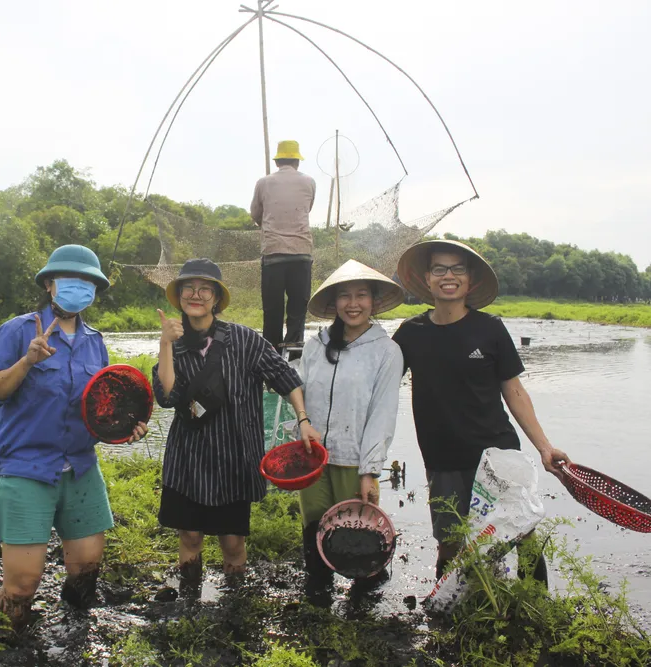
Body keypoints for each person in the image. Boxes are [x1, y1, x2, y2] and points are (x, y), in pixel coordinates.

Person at [0, 244, 147, 633]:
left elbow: (104, 408)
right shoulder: (19, 330)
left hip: (81, 467)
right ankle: (10, 644)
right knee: (23, 584)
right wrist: (27, 361)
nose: (79, 288)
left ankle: (74, 638)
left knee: (87, 569)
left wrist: (126, 427)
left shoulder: (95, 341)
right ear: (50, 285)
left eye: (87, 282)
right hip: (28, 466)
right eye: (70, 280)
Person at [392, 239, 572, 580]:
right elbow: (381, 385)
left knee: (522, 534)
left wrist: (545, 448)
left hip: (498, 452)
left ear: (469, 280)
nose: (449, 276)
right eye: (440, 269)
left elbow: (514, 391)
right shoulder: (409, 334)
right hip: (442, 456)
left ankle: (537, 612)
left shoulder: (489, 328)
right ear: (426, 278)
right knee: (449, 541)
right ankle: (450, 617)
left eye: (458, 269)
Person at [153, 258, 320, 593]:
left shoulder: (244, 340)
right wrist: (165, 344)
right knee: (190, 536)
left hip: (234, 460)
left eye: (205, 289)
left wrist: (302, 418)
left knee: (232, 543)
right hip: (188, 459)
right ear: (180, 296)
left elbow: (287, 379)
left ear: (216, 298)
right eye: (189, 288)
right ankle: (189, 600)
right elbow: (168, 396)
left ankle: (236, 604)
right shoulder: (177, 343)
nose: (196, 295)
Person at [297, 260, 405, 603]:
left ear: (373, 302)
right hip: (313, 457)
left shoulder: (386, 351)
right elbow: (297, 387)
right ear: (335, 303)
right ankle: (318, 593)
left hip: (353, 459)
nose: (353, 303)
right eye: (345, 296)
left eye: (361, 295)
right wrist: (302, 423)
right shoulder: (316, 345)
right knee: (315, 527)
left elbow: (381, 414)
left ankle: (364, 603)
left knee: (358, 531)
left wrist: (370, 471)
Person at [250, 140, 317, 356]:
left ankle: (271, 357)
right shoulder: (309, 182)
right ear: (297, 161)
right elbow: (308, 208)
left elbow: (255, 214)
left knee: (273, 311)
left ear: (277, 161)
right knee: (297, 310)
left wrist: (271, 226)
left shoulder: (263, 182)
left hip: (273, 255)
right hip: (301, 254)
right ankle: (294, 356)